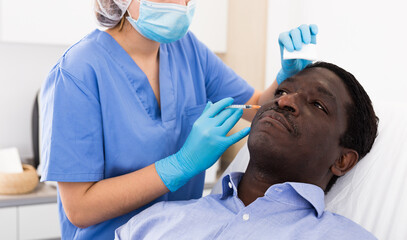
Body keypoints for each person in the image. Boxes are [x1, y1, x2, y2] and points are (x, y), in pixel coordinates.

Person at [40, 0, 318, 238]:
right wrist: (179, 165)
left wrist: (286, 78)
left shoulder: (187, 50)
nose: (182, 4)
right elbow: (79, 208)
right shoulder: (77, 72)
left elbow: (256, 106)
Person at [114, 61, 379, 239]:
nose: (284, 100)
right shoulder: (150, 224)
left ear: (343, 160)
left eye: (319, 105)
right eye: (282, 90)